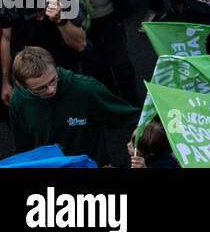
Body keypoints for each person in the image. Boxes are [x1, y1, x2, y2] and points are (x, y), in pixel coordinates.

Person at [8, 46, 136, 166]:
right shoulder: (18, 100)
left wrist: (137, 135)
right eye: (40, 88)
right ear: (22, 85)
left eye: (53, 80)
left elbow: (131, 117)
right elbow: (23, 147)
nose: (51, 90)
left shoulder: (85, 89)